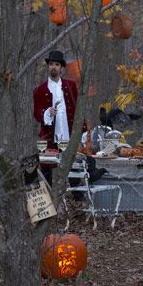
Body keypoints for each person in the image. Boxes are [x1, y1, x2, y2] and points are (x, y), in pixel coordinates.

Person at [33, 50, 85, 185]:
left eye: (57, 64)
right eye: (51, 64)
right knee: (47, 166)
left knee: (73, 165)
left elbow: (77, 109)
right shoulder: (40, 90)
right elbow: (36, 113)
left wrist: (83, 131)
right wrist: (46, 112)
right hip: (50, 135)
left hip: (68, 133)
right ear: (48, 67)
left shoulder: (70, 86)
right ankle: (50, 196)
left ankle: (77, 196)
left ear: (61, 68)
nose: (54, 67)